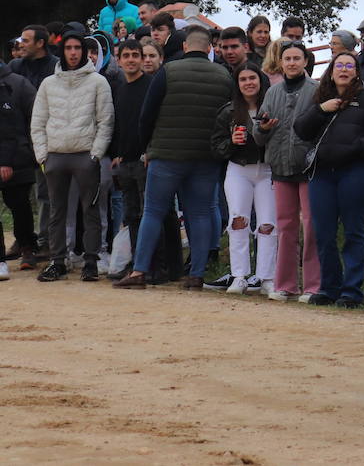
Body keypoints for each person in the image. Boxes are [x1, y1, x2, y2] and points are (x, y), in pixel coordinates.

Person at [114, 26, 232, 290]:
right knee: (201, 213)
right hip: (205, 156)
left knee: (153, 211)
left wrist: (147, 148)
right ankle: (197, 274)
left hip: (166, 155)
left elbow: (147, 115)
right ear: (210, 49)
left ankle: (139, 271)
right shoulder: (224, 75)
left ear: (186, 47)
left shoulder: (168, 71)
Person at [293, 50, 364, 307]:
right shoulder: (320, 98)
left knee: (353, 232)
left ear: (357, 72)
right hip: (322, 175)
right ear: (332, 71)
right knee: (322, 234)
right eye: (339, 65)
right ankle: (329, 288)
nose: (344, 69)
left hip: (356, 173)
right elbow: (301, 129)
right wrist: (320, 110)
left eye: (350, 65)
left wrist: (356, 148)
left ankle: (351, 292)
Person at [32, 32, 113, 283]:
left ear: (85, 51)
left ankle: (91, 260)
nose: (74, 52)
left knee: (89, 211)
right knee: (57, 211)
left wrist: (95, 154)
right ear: (62, 51)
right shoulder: (48, 84)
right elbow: (38, 121)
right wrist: (43, 155)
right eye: (69, 48)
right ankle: (57, 261)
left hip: (85, 156)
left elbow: (105, 121)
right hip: (55, 155)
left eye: (78, 48)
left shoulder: (98, 82)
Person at [254, 42, 321, 302]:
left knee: (311, 226)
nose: (292, 63)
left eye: (296, 58)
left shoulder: (316, 91)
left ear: (305, 61)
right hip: (280, 168)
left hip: (309, 167)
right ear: (280, 63)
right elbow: (258, 135)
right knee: (285, 227)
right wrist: (263, 129)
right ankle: (285, 285)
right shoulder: (271, 93)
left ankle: (314, 286)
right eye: (287, 59)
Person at [211, 65, 278, 295]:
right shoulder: (228, 111)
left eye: (252, 78)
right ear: (237, 84)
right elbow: (217, 147)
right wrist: (231, 142)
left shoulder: (270, 108)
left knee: (268, 224)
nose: (248, 83)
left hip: (267, 170)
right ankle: (239, 275)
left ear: (260, 81)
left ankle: (266, 277)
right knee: (238, 220)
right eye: (243, 79)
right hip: (238, 170)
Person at [107, 39, 157, 281]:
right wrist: (115, 153)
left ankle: (151, 266)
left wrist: (150, 150)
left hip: (145, 161)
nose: (131, 59)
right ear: (118, 59)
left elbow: (155, 121)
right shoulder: (119, 88)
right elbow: (117, 123)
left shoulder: (151, 85)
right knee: (131, 216)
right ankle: (136, 263)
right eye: (126, 55)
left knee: (150, 215)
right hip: (124, 162)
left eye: (135, 55)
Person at [0, 61, 38, 276]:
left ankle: (27, 246)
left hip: (19, 156)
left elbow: (27, 121)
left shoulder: (19, 84)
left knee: (19, 205)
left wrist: (30, 150)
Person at [9, 24, 57, 90]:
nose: (20, 45)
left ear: (40, 43)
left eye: (25, 41)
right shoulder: (14, 65)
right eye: (21, 41)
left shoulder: (57, 66)